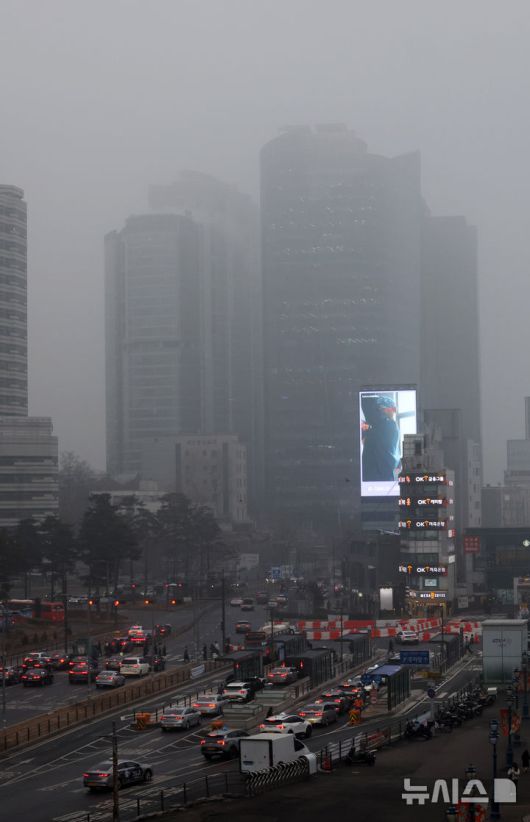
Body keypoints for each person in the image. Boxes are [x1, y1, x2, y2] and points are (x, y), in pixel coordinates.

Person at [361, 395, 401, 483]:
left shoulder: (386, 425)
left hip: (376, 474)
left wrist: (364, 428)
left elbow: (368, 438)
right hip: (386, 474)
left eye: (380, 409)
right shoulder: (393, 425)